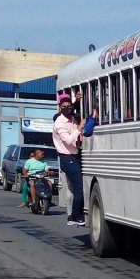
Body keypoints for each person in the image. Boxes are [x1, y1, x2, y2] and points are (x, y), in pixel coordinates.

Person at [53, 95, 86, 226]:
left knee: (74, 189)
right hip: (67, 158)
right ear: (60, 108)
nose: (67, 109)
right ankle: (75, 216)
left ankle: (74, 214)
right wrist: (79, 128)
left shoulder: (72, 119)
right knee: (79, 188)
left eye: (69, 106)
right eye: (64, 107)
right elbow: (68, 140)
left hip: (75, 156)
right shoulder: (59, 123)